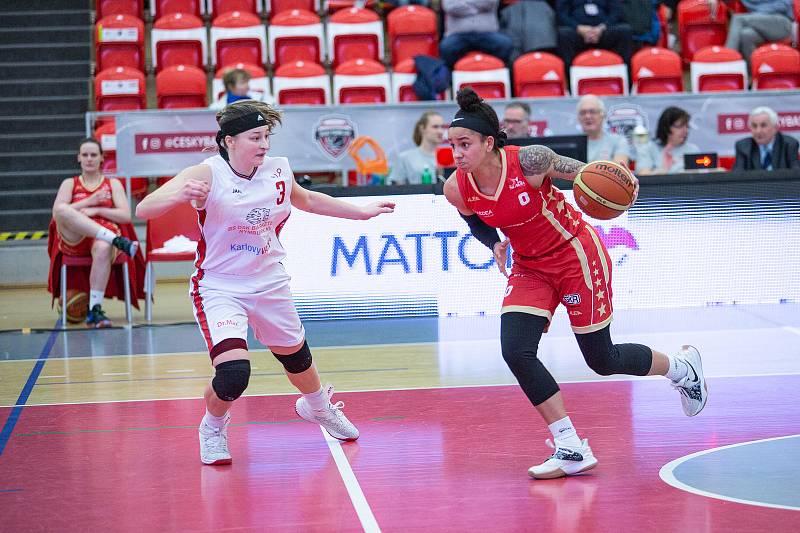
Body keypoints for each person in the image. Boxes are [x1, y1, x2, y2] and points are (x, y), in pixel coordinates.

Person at [443, 87, 708, 480]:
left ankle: (682, 369)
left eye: (464, 144)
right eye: (452, 145)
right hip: (530, 267)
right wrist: (494, 243)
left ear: (488, 142)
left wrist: (618, 179)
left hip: (574, 256)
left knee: (602, 360)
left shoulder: (530, 161)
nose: (457, 153)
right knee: (515, 351)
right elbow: (473, 217)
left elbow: (584, 173)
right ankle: (569, 445)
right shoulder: (456, 187)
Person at [135, 101, 395, 465]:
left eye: (266, 136)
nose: (264, 145)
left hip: (270, 281)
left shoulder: (277, 169)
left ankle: (318, 408)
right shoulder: (208, 173)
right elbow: (144, 209)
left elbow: (307, 200)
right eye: (255, 137)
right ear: (229, 141)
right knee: (233, 373)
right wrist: (177, 194)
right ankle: (212, 427)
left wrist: (359, 212)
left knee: (297, 359)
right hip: (221, 286)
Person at [51, 138, 140, 328]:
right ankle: (117, 240)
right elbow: (57, 213)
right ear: (78, 158)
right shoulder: (70, 183)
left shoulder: (112, 183)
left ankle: (95, 309)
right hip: (75, 237)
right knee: (61, 210)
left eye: (93, 155)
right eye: (85, 155)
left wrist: (97, 211)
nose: (89, 159)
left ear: (101, 158)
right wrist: (90, 201)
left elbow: (125, 216)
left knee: (102, 247)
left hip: (101, 239)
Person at [710, 0, 794, 65]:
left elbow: (784, 5)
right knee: (746, 35)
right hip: (759, 24)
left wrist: (759, 14)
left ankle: (727, 60)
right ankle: (752, 78)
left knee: (738, 19)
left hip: (782, 23)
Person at [556, 0, 633, 68]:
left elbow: (616, 12)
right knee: (563, 34)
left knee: (625, 30)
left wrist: (602, 27)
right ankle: (569, 78)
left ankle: (625, 76)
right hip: (578, 31)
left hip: (603, 30)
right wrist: (578, 28)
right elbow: (562, 14)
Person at [439, 0, 514, 68]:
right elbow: (450, 7)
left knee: (505, 45)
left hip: (487, 34)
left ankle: (498, 74)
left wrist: (465, 3)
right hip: (457, 35)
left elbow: (490, 2)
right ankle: (451, 79)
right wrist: (477, 6)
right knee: (446, 48)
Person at [635, 106, 699, 174]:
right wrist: (663, 170)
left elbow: (701, 175)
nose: (685, 130)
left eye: (687, 126)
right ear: (666, 128)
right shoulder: (648, 148)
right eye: (680, 126)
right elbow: (642, 174)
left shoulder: (692, 150)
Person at [733, 106, 800, 170]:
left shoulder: (789, 145)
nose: (758, 131)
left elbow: (795, 175)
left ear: (775, 127)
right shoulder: (743, 146)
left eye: (763, 125)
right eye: (754, 126)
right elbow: (737, 176)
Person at [387, 111, 445, 185]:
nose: (440, 131)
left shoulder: (452, 157)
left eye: (442, 127)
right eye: (435, 127)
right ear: (422, 128)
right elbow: (395, 189)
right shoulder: (405, 158)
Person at [576, 95, 630, 166]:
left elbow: (619, 171)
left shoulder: (618, 141)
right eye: (583, 113)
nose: (587, 116)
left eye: (592, 112)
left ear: (603, 115)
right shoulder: (572, 143)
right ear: (578, 118)